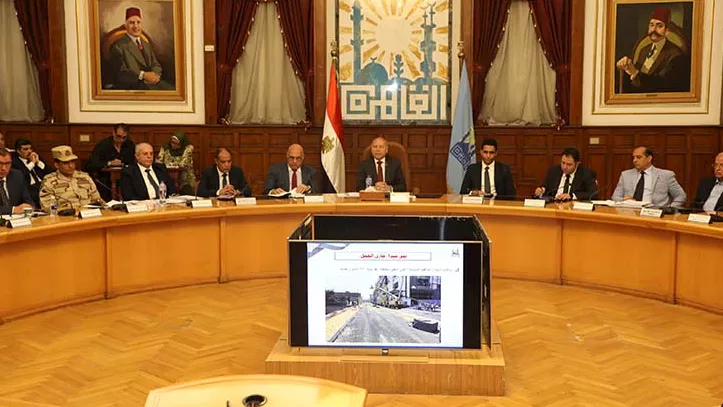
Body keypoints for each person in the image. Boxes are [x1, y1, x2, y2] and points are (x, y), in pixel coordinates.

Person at [615, 7, 690, 93]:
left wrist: (634, 73)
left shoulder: (676, 55)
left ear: (666, 30)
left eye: (659, 26)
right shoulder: (644, 50)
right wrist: (626, 68)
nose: (653, 29)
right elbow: (634, 81)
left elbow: (663, 84)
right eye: (651, 25)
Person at [109, 7, 173, 90]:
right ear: (126, 26)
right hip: (133, 86)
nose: (136, 26)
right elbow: (121, 73)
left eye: (138, 22)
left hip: (152, 83)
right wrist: (143, 75)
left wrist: (154, 75)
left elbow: (155, 64)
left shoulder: (146, 44)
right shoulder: (118, 46)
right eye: (132, 23)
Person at [611, 146, 686, 208]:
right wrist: (623, 200)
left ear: (649, 158)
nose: (634, 160)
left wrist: (670, 209)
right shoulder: (626, 175)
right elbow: (615, 197)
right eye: (633, 157)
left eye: (638, 157)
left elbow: (681, 196)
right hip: (631, 212)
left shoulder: (665, 175)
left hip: (655, 213)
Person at [38, 146, 104, 213]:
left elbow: (97, 200)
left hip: (89, 214)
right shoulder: (49, 181)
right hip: (65, 217)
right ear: (56, 165)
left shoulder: (85, 177)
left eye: (72, 162)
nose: (71, 166)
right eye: (66, 163)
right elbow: (48, 207)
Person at [87, 123, 136, 201]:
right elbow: (92, 164)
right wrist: (109, 163)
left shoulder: (130, 145)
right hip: (105, 178)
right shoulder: (103, 145)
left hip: (124, 176)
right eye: (118, 136)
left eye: (124, 137)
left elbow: (133, 163)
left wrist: (122, 164)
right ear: (113, 133)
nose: (121, 140)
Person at [534, 147, 598, 201]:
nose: (565, 167)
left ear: (577, 164)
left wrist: (571, 196)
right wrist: (541, 190)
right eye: (563, 163)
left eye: (569, 164)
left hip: (573, 207)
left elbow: (594, 194)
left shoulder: (586, 174)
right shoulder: (554, 171)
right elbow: (545, 186)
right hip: (553, 205)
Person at [11, 138, 52, 206]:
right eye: (25, 149)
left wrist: (38, 162)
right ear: (18, 151)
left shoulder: (36, 158)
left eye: (30, 148)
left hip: (43, 185)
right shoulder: (14, 162)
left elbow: (51, 172)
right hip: (29, 189)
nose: (29, 151)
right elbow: (20, 175)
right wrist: (32, 163)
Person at [156, 131, 196, 195]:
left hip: (185, 178)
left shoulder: (187, 148)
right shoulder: (165, 147)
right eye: (172, 142)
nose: (173, 145)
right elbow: (158, 162)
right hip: (168, 175)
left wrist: (171, 164)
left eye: (176, 143)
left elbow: (183, 164)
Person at [0, 148, 34, 215]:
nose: (3, 168)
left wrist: (29, 207)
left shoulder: (17, 176)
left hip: (17, 218)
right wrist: (13, 210)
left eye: (7, 163)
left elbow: (28, 200)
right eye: (0, 163)